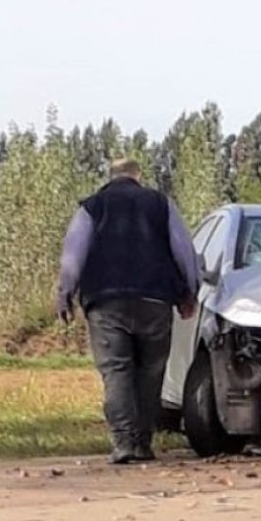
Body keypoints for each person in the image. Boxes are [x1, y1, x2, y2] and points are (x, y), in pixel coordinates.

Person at [55, 159, 199, 464]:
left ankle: (124, 443)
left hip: (106, 301)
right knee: (151, 373)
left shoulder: (92, 207)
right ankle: (143, 444)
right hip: (156, 300)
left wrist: (64, 295)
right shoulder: (161, 204)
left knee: (117, 371)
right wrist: (190, 290)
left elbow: (73, 256)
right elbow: (183, 249)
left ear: (110, 177)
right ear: (138, 177)